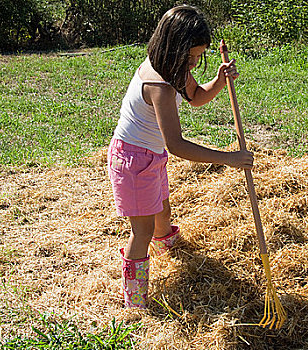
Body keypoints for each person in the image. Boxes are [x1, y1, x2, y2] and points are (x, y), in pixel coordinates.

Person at [107, 5, 254, 309]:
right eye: (192, 57)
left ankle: (170, 259)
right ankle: (136, 302)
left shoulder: (174, 68)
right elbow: (176, 144)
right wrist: (229, 158)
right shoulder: (158, 83)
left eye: (198, 57)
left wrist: (220, 80)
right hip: (133, 161)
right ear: (174, 46)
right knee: (142, 230)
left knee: (163, 213)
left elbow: (197, 97)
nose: (194, 62)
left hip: (152, 156)